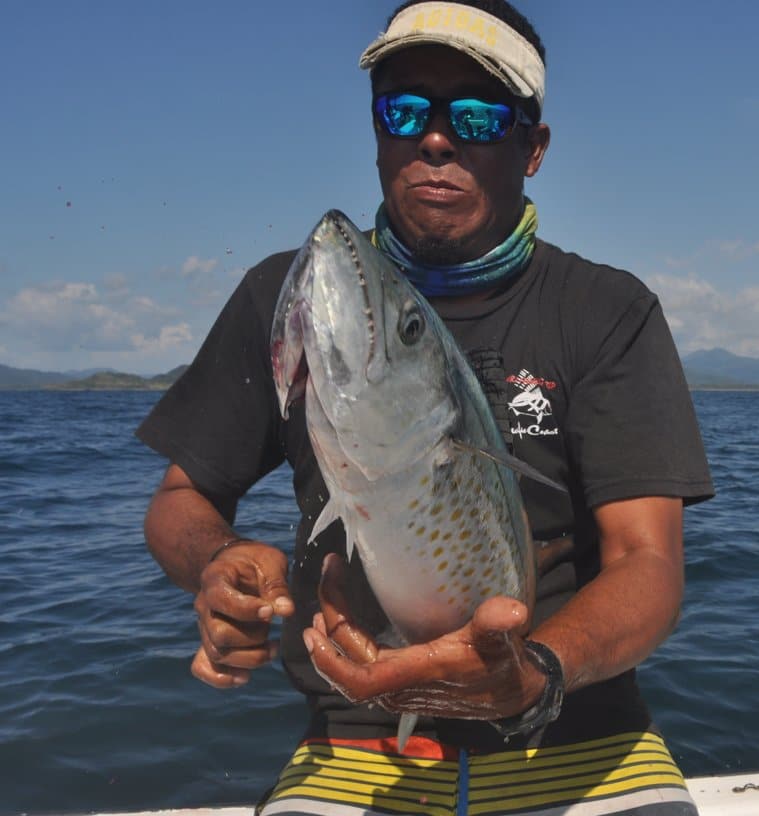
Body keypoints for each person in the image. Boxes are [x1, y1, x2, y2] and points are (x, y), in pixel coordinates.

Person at [138, 1, 714, 814]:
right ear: (378, 134)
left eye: (477, 116)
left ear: (533, 147)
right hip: (354, 744)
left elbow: (646, 565)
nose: (435, 138)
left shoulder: (605, 310)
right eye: (403, 110)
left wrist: (532, 673)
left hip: (581, 738)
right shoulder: (294, 294)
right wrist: (217, 564)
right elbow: (180, 497)